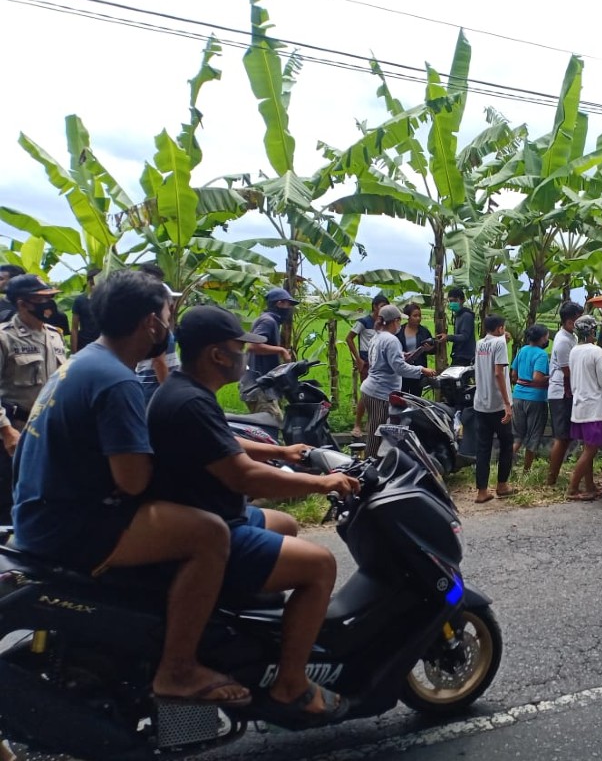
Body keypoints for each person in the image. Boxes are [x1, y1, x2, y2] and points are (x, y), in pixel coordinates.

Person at [12, 270, 250, 707]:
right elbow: (133, 480)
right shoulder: (117, 380)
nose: (169, 324)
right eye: (165, 313)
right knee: (209, 533)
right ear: (150, 324)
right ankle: (178, 669)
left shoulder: (85, 363)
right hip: (71, 525)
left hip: (39, 513)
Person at [147, 305, 360, 723]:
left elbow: (224, 441)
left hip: (211, 513)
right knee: (320, 566)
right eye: (238, 347)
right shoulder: (189, 401)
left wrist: (281, 451)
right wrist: (322, 482)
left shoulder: (182, 388)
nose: (245, 355)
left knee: (286, 524)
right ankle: (291, 685)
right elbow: (243, 476)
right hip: (214, 528)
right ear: (217, 355)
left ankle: (255, 630)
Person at [0, 275, 68, 523]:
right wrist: (6, 431)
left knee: (43, 495)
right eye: (41, 299)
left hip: (46, 431)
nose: (49, 303)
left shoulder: (54, 335)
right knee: (9, 501)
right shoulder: (4, 337)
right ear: (22, 304)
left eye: (50, 297)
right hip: (13, 433)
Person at [361, 304, 436, 457]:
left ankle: (374, 464)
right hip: (379, 393)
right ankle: (369, 468)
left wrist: (402, 355)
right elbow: (399, 368)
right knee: (377, 434)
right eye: (399, 320)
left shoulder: (378, 335)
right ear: (394, 321)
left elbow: (388, 359)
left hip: (371, 389)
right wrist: (421, 369)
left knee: (375, 429)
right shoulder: (391, 340)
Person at [566, 315, 602, 501]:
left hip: (578, 405)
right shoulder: (596, 351)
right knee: (591, 450)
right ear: (592, 331)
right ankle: (572, 488)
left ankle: (589, 486)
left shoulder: (574, 351)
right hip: (592, 407)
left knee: (587, 448)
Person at [239, 287, 298, 421]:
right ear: (279, 303)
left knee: (269, 426)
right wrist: (281, 350)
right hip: (258, 386)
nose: (289, 308)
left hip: (261, 385)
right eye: (288, 304)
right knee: (273, 424)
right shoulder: (268, 321)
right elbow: (253, 346)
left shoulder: (269, 320)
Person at [472, 315, 514, 504]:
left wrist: (502, 338)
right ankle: (502, 485)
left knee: (483, 448)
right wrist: (507, 403)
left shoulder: (480, 343)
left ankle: (482, 491)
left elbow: (492, 348)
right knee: (506, 443)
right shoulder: (500, 344)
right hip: (497, 404)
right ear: (499, 328)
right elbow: (499, 373)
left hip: (481, 403)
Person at [545, 301, 583, 486]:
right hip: (561, 392)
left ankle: (553, 475)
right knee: (562, 437)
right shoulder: (562, 341)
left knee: (566, 436)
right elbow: (568, 370)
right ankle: (551, 478)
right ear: (569, 321)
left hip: (565, 391)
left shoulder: (571, 337)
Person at [135, 263, 182, 404]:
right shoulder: (156, 324)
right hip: (154, 388)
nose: (172, 303)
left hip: (147, 385)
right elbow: (159, 362)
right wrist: (169, 394)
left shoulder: (141, 318)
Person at [510, 324, 550, 473]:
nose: (547, 339)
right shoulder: (541, 354)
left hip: (518, 395)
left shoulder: (522, 351)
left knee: (517, 436)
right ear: (541, 338)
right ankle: (526, 470)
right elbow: (537, 378)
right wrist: (552, 377)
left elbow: (513, 375)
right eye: (546, 336)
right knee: (533, 436)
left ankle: (505, 466)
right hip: (536, 398)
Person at [347, 294, 389, 438]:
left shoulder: (384, 324)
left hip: (381, 362)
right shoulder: (364, 322)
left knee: (379, 393)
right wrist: (358, 359)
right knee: (366, 393)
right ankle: (357, 424)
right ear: (374, 307)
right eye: (381, 306)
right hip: (366, 361)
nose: (383, 310)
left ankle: (371, 422)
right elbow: (349, 338)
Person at [396, 302, 434, 397]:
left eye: (419, 315)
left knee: (416, 398)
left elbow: (434, 349)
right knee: (401, 397)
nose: (418, 318)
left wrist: (430, 349)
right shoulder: (399, 331)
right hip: (402, 370)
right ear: (408, 317)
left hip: (418, 371)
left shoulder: (424, 332)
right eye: (415, 316)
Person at [437, 287, 475, 367]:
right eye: (450, 301)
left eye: (455, 301)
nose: (452, 303)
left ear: (462, 300)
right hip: (458, 355)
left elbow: (464, 336)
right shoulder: (458, 315)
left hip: (465, 357)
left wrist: (448, 337)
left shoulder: (466, 316)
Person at [71, 268, 102, 353]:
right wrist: (74, 352)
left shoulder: (107, 301)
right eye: (91, 283)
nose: (93, 286)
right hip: (84, 345)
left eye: (96, 283)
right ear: (88, 283)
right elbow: (74, 328)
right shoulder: (80, 301)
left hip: (103, 346)